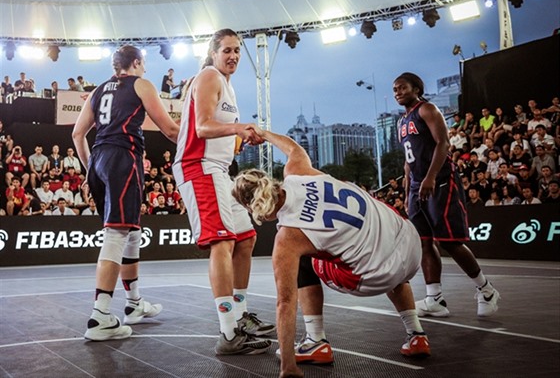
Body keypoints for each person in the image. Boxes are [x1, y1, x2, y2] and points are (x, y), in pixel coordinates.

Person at [232, 130, 430, 378]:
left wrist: (288, 366)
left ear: (254, 208)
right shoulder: (298, 171)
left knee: (306, 259)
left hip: (375, 274)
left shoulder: (288, 238)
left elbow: (285, 303)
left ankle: (316, 340)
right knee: (373, 229)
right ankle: (416, 334)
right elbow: (293, 147)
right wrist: (262, 133)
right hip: (409, 243)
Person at [172, 28, 273, 356]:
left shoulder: (226, 84)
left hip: (218, 169)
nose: (233, 56)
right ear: (214, 52)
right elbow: (202, 127)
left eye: (237, 51)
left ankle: (240, 316)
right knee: (223, 241)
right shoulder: (209, 76)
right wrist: (237, 128)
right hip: (198, 166)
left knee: (245, 238)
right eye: (227, 50)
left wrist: (243, 138)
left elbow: (222, 134)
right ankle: (229, 333)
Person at [72, 45, 180, 341]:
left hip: (99, 159)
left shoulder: (97, 91)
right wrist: (207, 138)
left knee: (131, 231)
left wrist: (90, 169)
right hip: (123, 157)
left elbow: (77, 134)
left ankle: (133, 305)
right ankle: (100, 316)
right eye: (143, 63)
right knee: (117, 234)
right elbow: (171, 131)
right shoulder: (141, 84)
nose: (145, 68)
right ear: (135, 63)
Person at [393, 72, 499, 319]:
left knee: (450, 241)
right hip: (418, 183)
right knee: (423, 241)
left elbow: (443, 143)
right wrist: (408, 178)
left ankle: (486, 289)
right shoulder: (401, 121)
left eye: (402, 88)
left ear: (416, 88)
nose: (398, 92)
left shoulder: (427, 109)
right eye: (395, 89)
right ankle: (435, 298)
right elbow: (410, 155)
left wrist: (430, 176)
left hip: (440, 179)